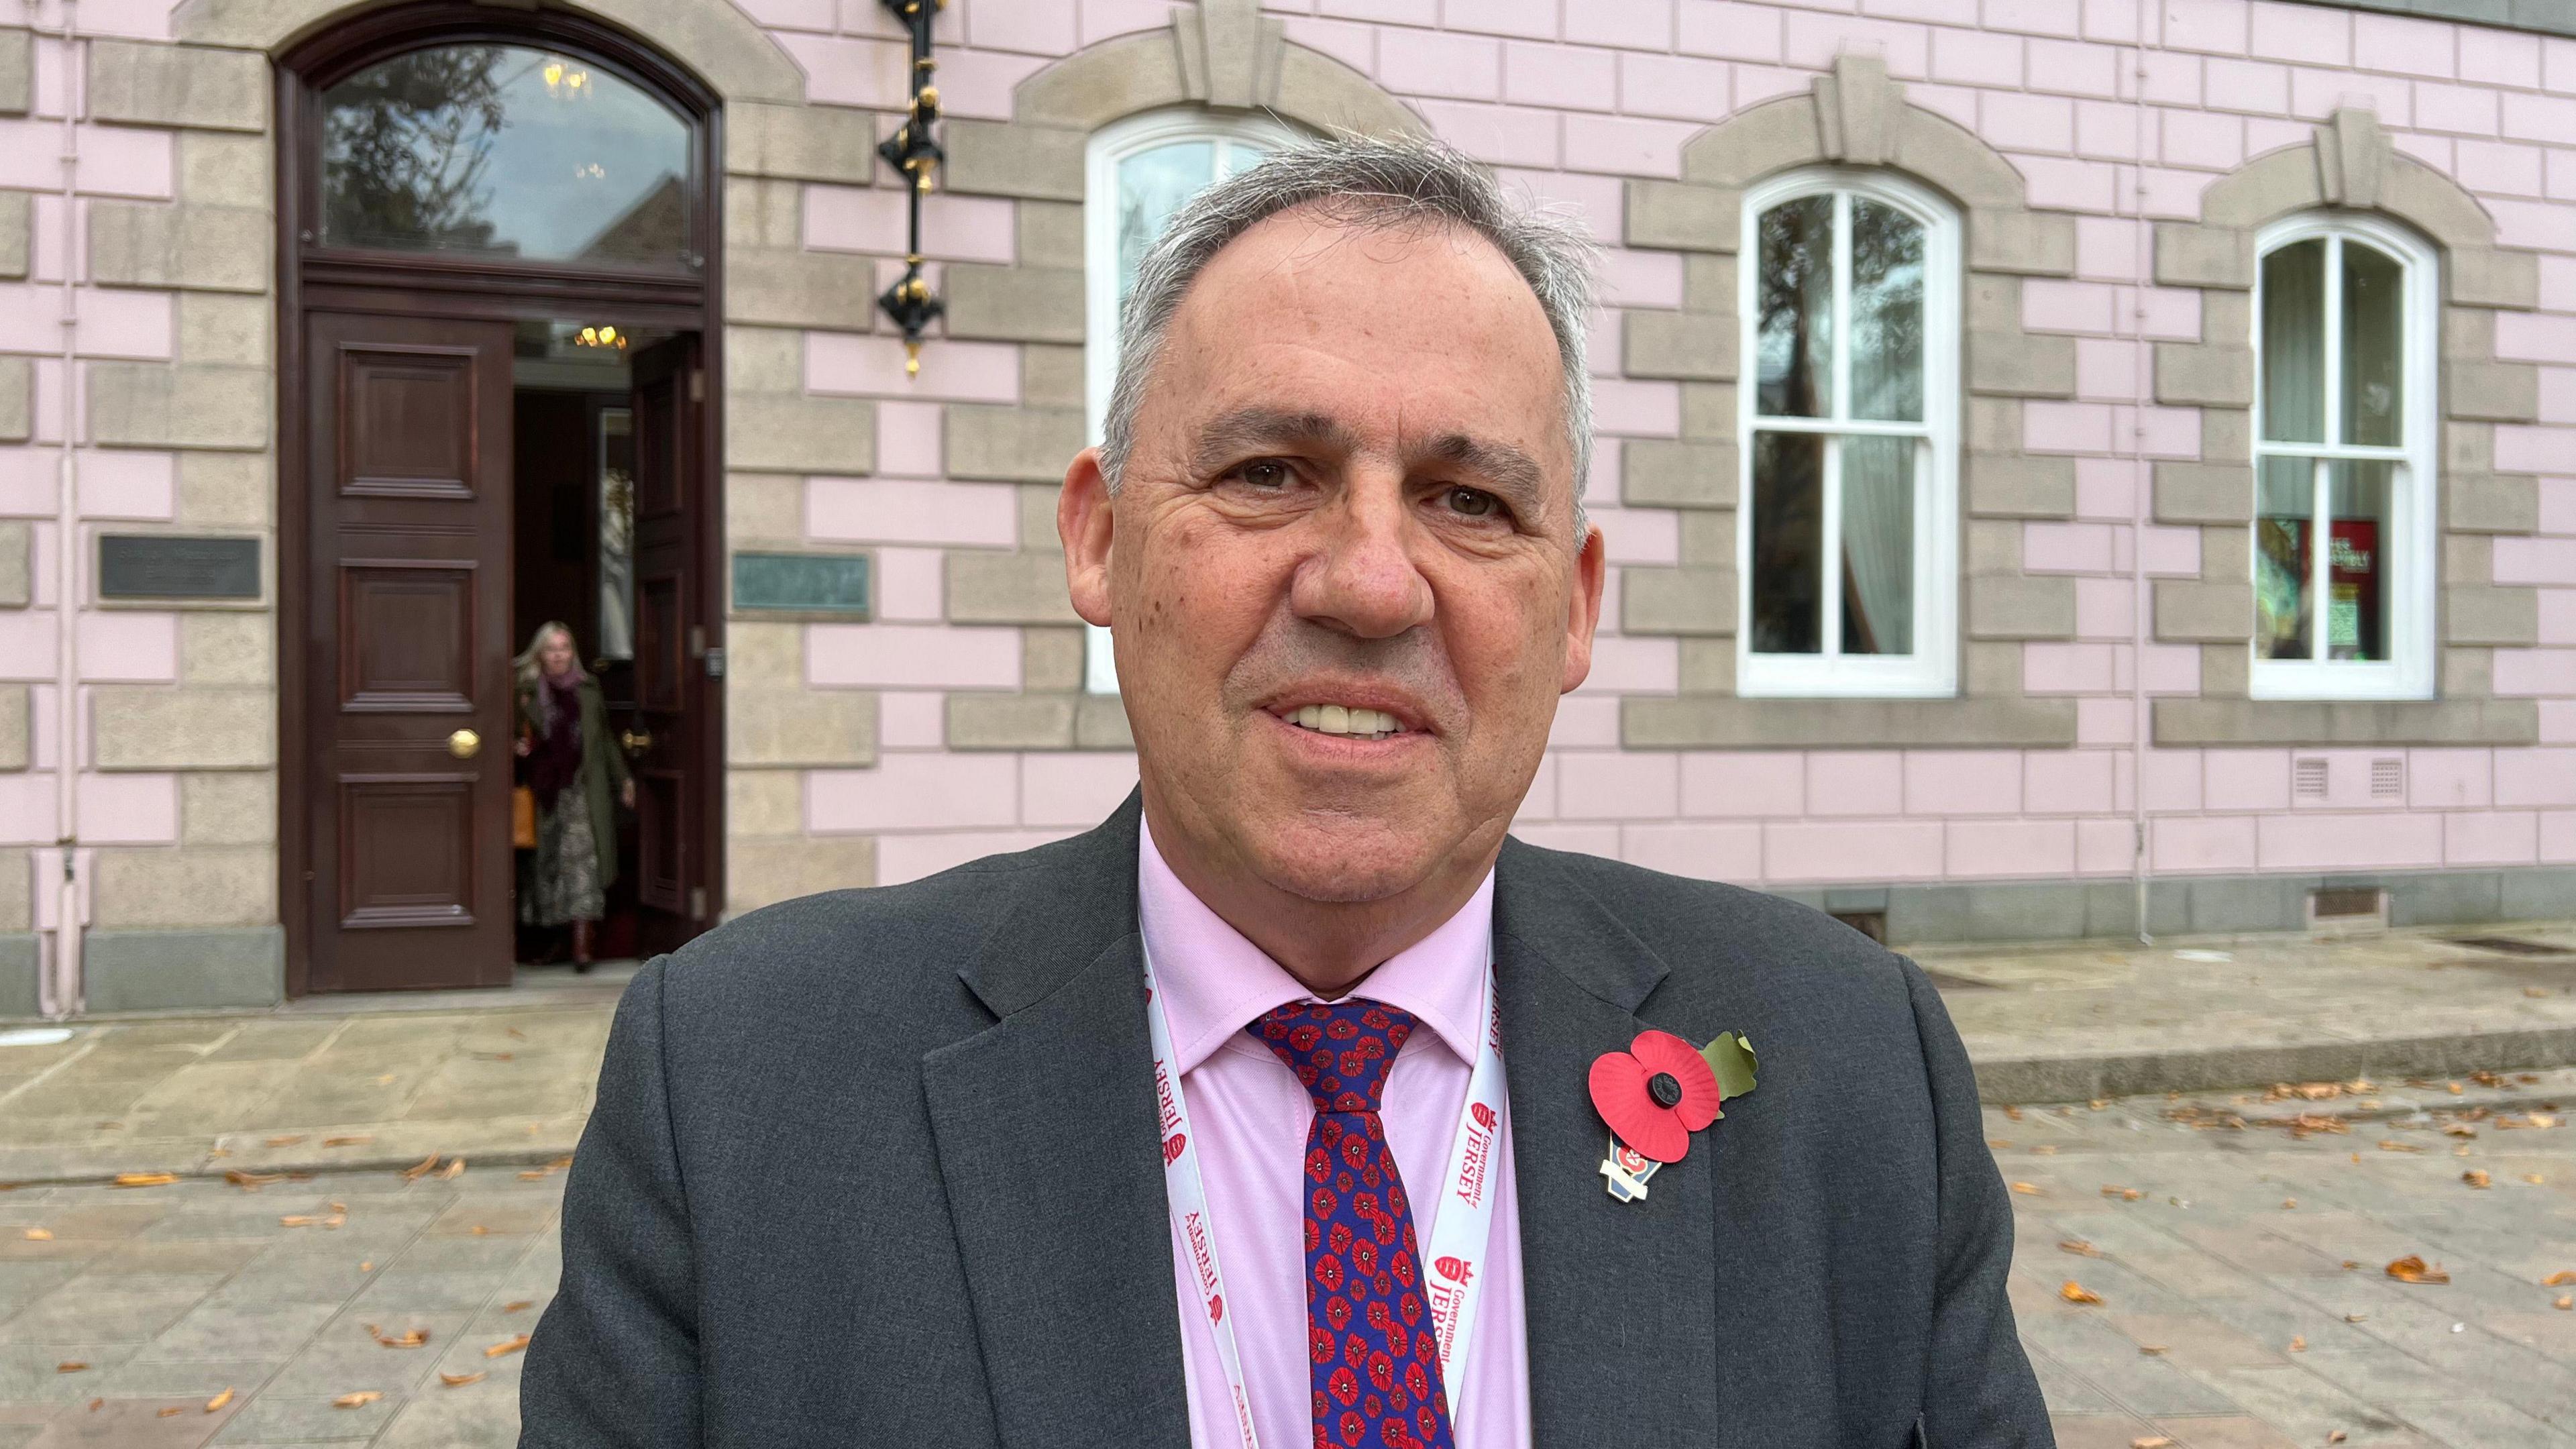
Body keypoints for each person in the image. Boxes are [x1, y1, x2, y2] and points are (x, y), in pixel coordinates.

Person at [522, 138, 2050, 1447]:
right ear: (1099, 540)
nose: (1372, 581)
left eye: (1468, 499)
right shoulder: (743, 1088)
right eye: (1268, 469)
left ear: (1574, 606)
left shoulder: (1846, 1066)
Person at [513, 622, 632, 971]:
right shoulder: (524, 691)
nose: (559, 655)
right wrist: (516, 747)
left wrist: (624, 778)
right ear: (540, 654)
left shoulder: (588, 689)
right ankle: (558, 942)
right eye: (552, 649)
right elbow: (502, 731)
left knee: (583, 863)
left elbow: (606, 739)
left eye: (565, 648)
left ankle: (583, 945)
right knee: (548, 867)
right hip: (543, 791)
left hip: (583, 789)